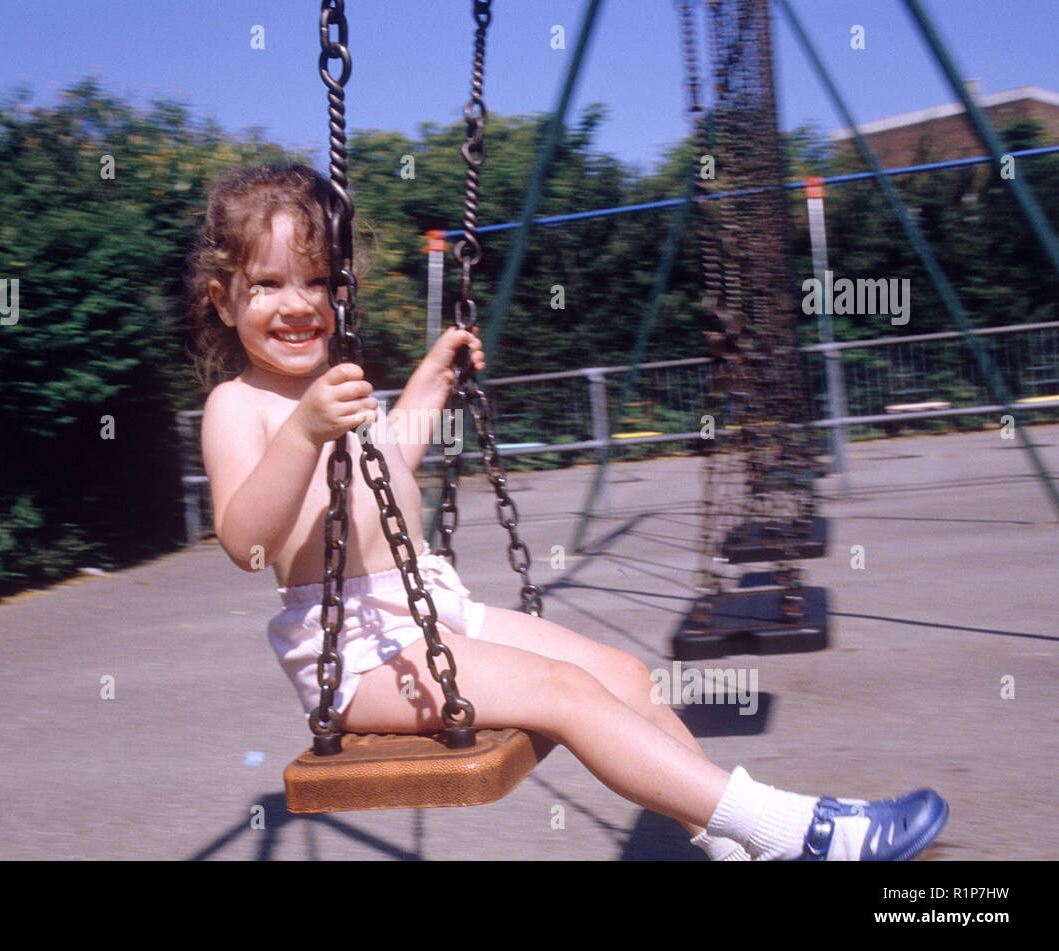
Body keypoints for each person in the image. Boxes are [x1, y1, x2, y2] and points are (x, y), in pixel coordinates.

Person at [189, 163, 947, 861]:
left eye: (317, 280)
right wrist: (304, 431)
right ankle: (793, 832)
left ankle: (731, 842)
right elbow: (245, 539)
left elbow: (390, 470)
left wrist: (428, 379)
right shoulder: (239, 406)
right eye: (267, 284)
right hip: (355, 652)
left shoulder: (339, 384)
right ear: (223, 300)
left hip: (431, 609)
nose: (297, 304)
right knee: (567, 694)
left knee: (621, 672)